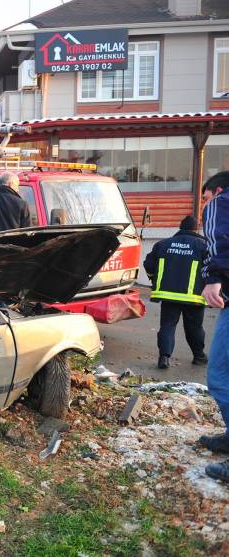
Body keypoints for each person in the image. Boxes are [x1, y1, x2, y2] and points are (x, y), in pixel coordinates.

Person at [143, 215, 209, 369]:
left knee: (168, 325)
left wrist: (154, 279)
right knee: (194, 327)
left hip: (168, 295)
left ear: (180, 227)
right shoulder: (203, 246)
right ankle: (199, 356)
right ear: (196, 228)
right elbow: (210, 268)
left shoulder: (163, 244)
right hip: (194, 296)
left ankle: (164, 358)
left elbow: (148, 265)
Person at [198, 171, 229, 482]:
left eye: (205, 198)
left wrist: (214, 278)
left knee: (220, 375)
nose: (205, 205)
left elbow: (217, 240)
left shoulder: (221, 202)